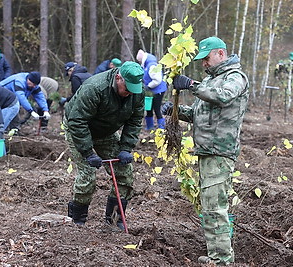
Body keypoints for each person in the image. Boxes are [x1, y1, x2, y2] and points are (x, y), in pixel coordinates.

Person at [161, 36, 249, 265]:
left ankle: (221, 260)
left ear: (220, 53)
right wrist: (176, 111)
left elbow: (222, 97)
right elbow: (201, 114)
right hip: (206, 151)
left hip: (220, 152)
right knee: (209, 205)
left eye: (206, 59)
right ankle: (217, 254)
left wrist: (191, 85)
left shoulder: (235, 78)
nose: (204, 64)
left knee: (215, 206)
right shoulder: (210, 81)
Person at [64, 61, 144, 229]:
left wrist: (125, 148)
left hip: (106, 132)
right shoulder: (95, 88)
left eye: (133, 90)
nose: (129, 93)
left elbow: (135, 121)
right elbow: (77, 121)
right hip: (78, 129)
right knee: (88, 175)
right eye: (127, 89)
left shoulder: (136, 92)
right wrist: (88, 152)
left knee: (124, 173)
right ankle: (77, 221)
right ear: (118, 78)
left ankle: (114, 220)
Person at [136, 49, 168, 129]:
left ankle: (162, 128)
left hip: (158, 90)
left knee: (157, 109)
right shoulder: (146, 65)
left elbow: (157, 80)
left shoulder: (152, 65)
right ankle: (149, 127)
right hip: (150, 91)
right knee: (148, 108)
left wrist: (148, 86)